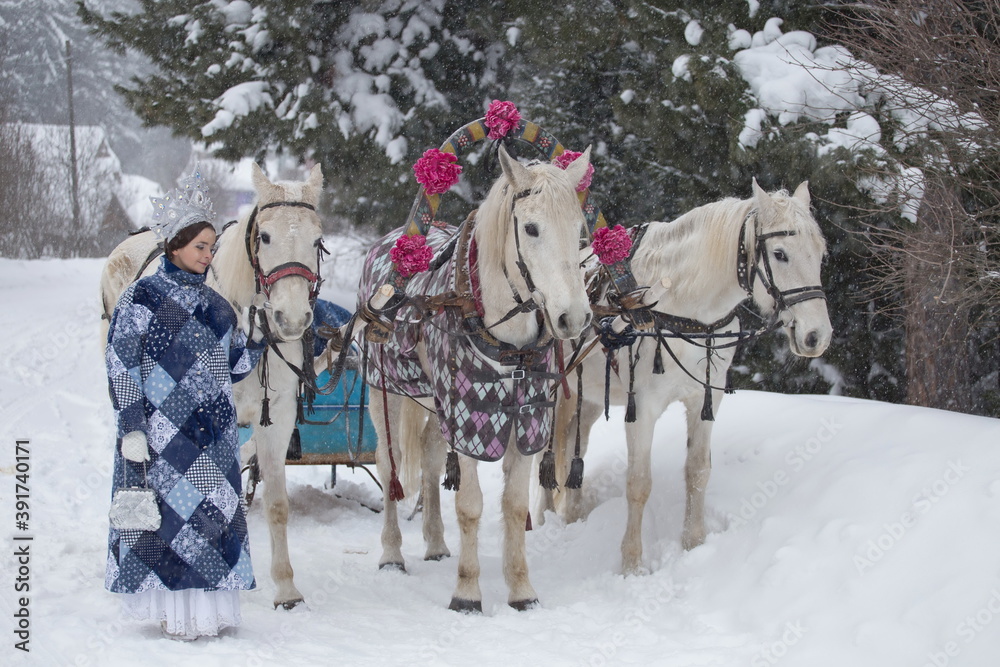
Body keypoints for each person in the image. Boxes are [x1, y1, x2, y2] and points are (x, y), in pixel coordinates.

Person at [104, 168, 265, 641]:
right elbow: (121, 364)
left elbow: (234, 365)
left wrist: (261, 336)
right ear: (175, 245)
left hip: (212, 437)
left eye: (213, 247)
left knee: (209, 521)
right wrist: (132, 425)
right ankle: (173, 614)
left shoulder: (219, 307)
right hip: (159, 433)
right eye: (200, 246)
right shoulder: (141, 298)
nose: (208, 255)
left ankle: (208, 613)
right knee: (169, 523)